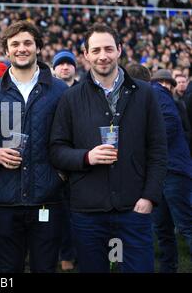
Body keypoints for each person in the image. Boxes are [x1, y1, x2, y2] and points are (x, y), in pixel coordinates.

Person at [50, 23, 168, 273]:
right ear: (86, 54)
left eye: (108, 49)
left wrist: (149, 197)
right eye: (96, 50)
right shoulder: (71, 98)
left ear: (120, 50)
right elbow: (57, 150)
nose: (102, 55)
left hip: (134, 208)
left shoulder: (144, 93)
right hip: (88, 211)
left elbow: (158, 149)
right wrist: (86, 156)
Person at [0, 20, 68, 273]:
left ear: (38, 47)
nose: (21, 48)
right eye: (15, 44)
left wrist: (59, 175)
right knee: (9, 269)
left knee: (44, 268)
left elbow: (71, 138)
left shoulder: (60, 91)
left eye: (27, 43)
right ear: (6, 51)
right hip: (5, 199)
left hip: (47, 198)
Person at [149, 69, 192, 273]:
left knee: (185, 224)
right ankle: (168, 267)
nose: (166, 87)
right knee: (162, 227)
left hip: (173, 171)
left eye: (169, 84)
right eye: (163, 83)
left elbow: (174, 128)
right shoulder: (158, 100)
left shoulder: (161, 96)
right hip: (160, 173)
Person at [52, 50, 78, 271]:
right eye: (60, 64)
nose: (65, 67)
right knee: (54, 214)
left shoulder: (85, 90)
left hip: (81, 161)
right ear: (53, 68)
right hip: (55, 162)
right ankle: (62, 255)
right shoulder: (48, 92)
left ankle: (74, 254)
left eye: (69, 63)